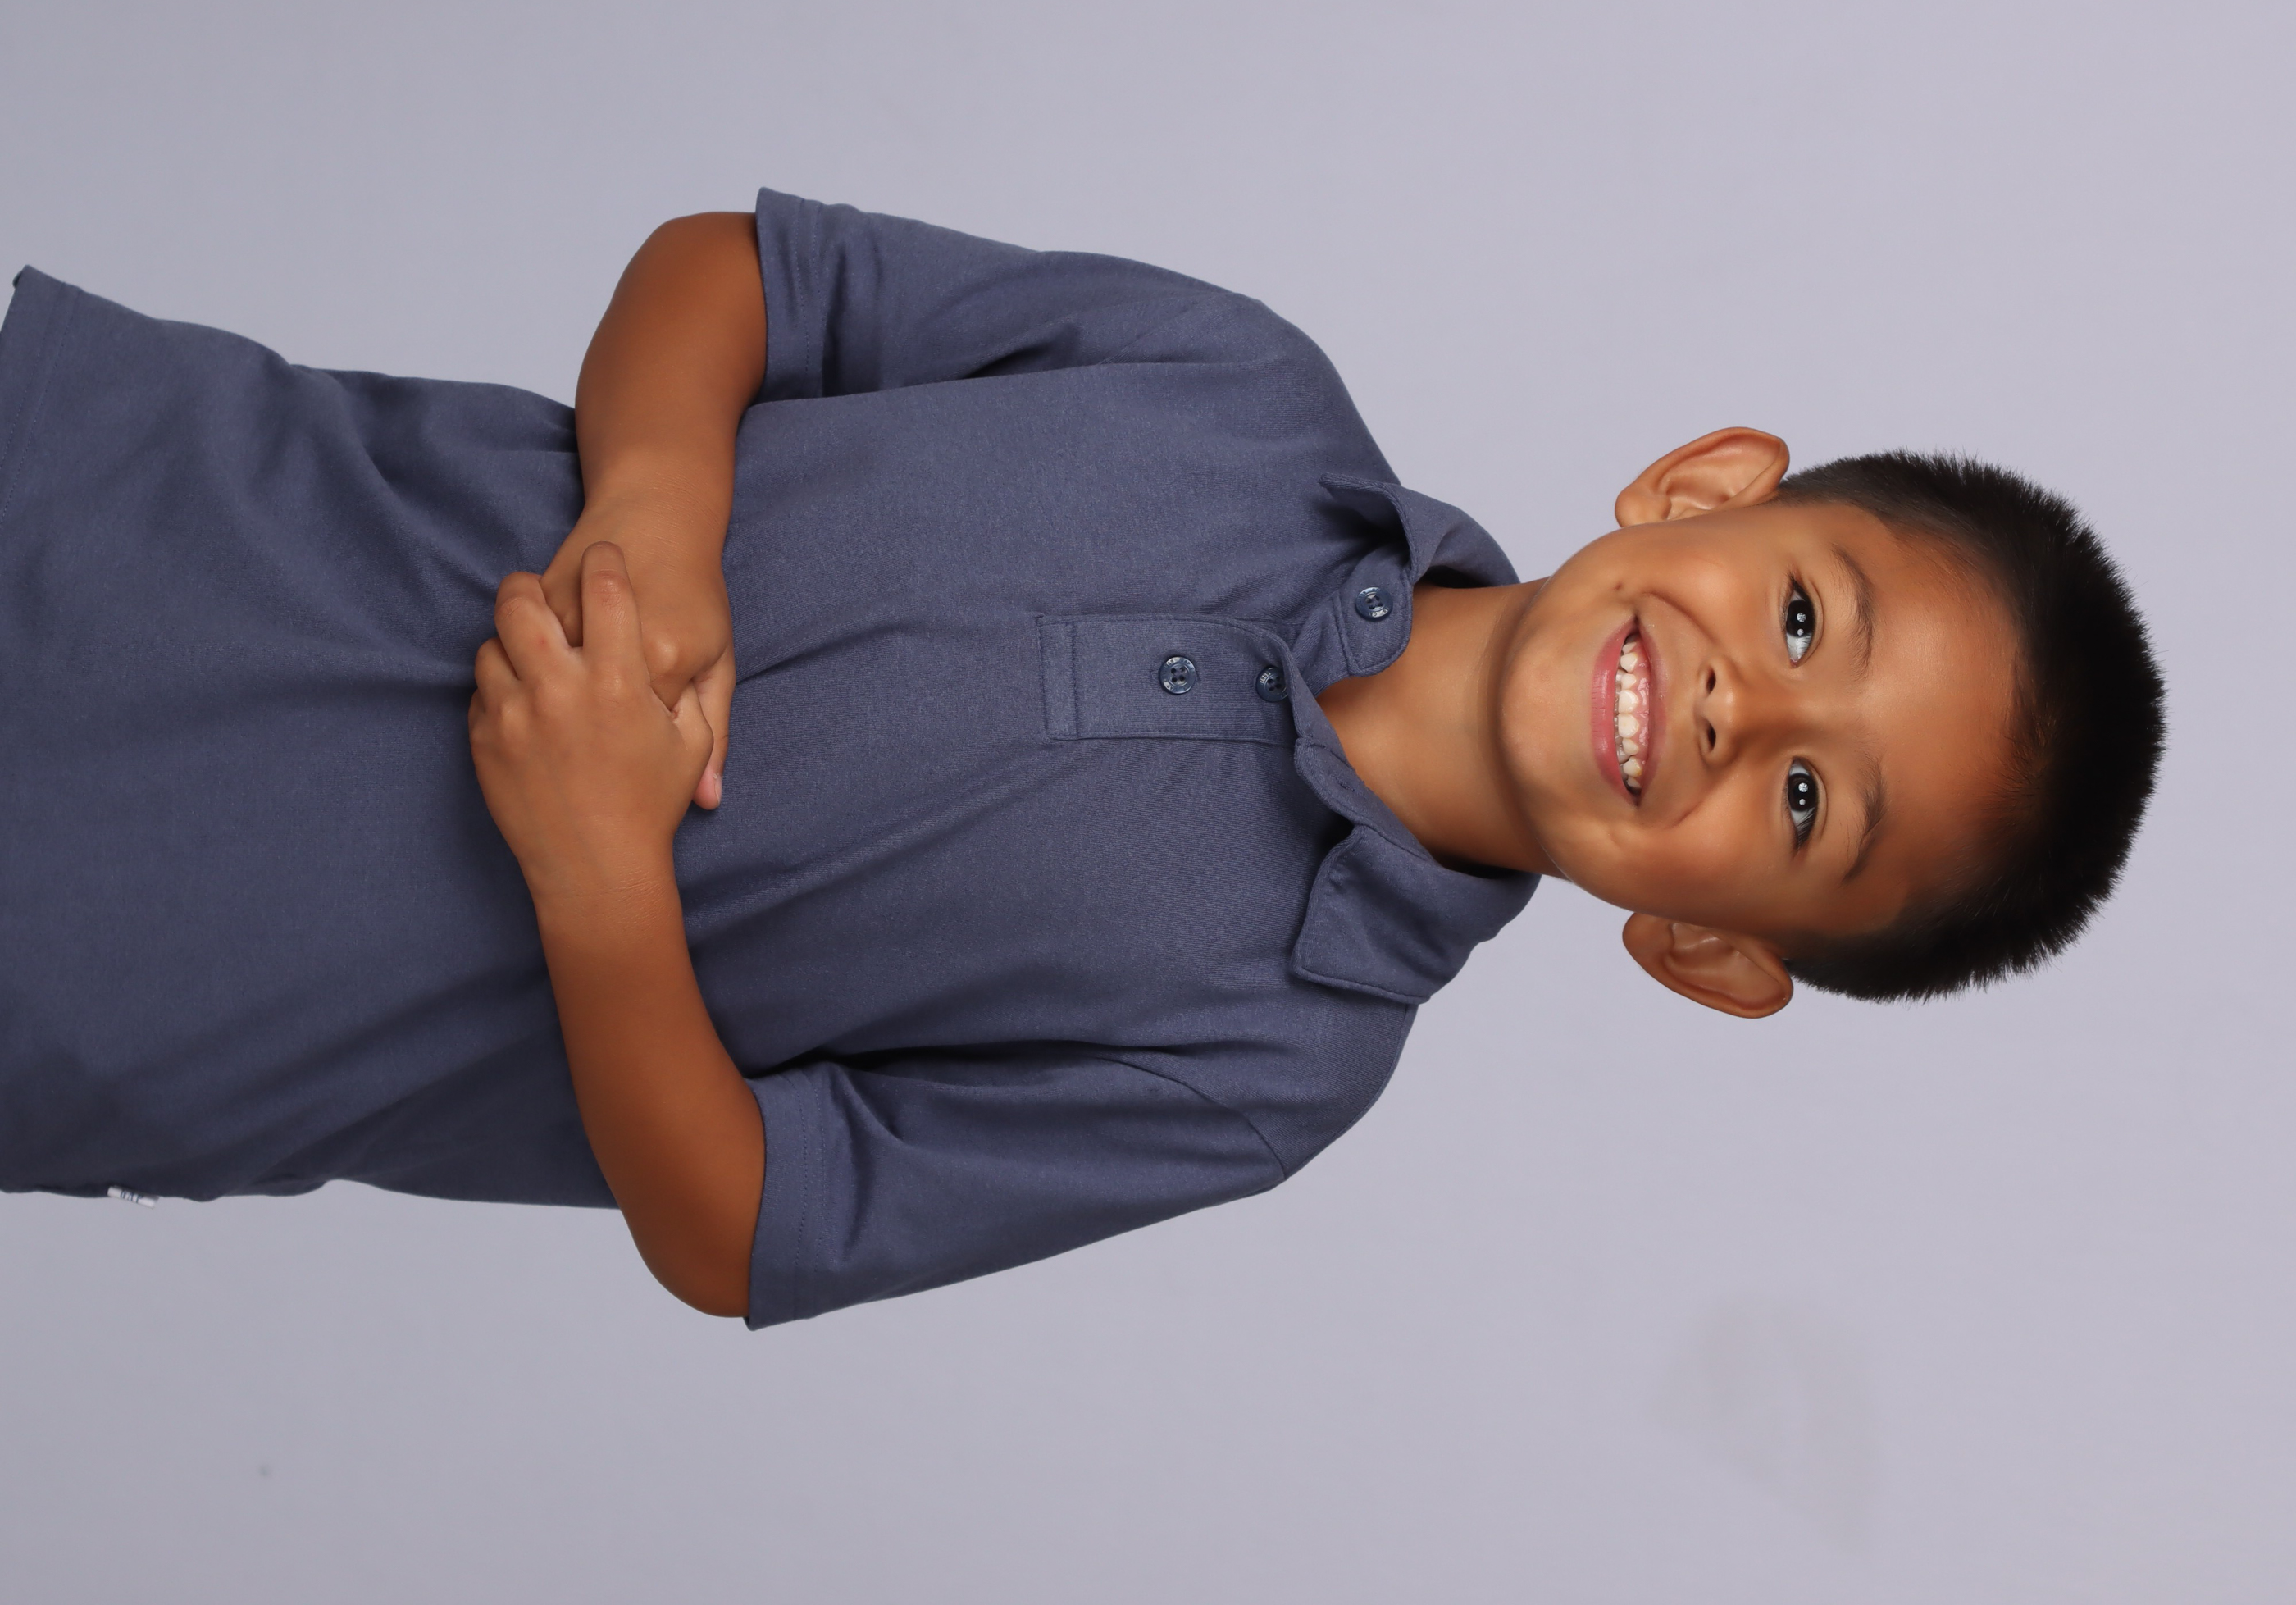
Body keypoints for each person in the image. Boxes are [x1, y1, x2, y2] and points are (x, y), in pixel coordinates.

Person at [0, 191, 2165, 1328]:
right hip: (120, 489)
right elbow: (737, 275)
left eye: (1808, 805)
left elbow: (739, 1224)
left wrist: (600, 874)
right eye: (1806, 622)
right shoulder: (1238, 391)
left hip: (118, 985)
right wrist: (654, 504)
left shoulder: (1270, 1066)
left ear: (1710, 948)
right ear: (1706, 490)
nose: (1738, 710)